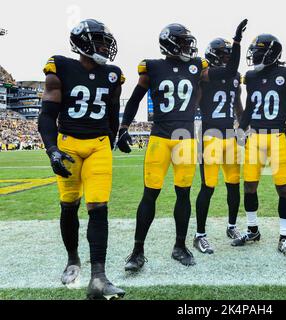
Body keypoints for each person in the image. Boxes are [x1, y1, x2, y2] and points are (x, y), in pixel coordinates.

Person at [117, 20, 248, 270]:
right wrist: (123, 127)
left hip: (185, 139)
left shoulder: (198, 66)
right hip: (160, 139)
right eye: (185, 42)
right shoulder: (152, 67)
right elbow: (134, 99)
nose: (189, 46)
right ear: (170, 43)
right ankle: (137, 251)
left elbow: (230, 71)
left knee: (184, 194)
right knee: (150, 195)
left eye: (190, 42)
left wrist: (238, 41)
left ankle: (180, 246)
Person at [37, 19, 125, 300]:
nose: (104, 46)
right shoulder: (60, 66)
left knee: (99, 207)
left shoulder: (113, 74)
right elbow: (47, 115)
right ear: (83, 43)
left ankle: (98, 277)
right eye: (99, 41)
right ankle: (73, 259)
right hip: (69, 145)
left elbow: (112, 113)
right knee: (69, 206)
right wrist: (52, 149)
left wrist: (117, 136)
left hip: (99, 145)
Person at [233, 34, 286, 260]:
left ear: (271, 53)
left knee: (283, 188)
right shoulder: (251, 76)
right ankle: (252, 230)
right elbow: (249, 109)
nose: (254, 57)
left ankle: (284, 238)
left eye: (258, 52)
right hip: (255, 138)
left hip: (277, 138)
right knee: (249, 186)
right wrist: (240, 130)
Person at [193, 38, 244, 254]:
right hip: (210, 135)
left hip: (230, 135)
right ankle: (199, 235)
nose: (227, 58)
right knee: (208, 186)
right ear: (213, 55)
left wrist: (243, 128)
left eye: (228, 55)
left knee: (234, 183)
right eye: (224, 54)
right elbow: (195, 102)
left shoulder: (235, 78)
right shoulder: (204, 77)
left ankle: (232, 226)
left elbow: (238, 106)